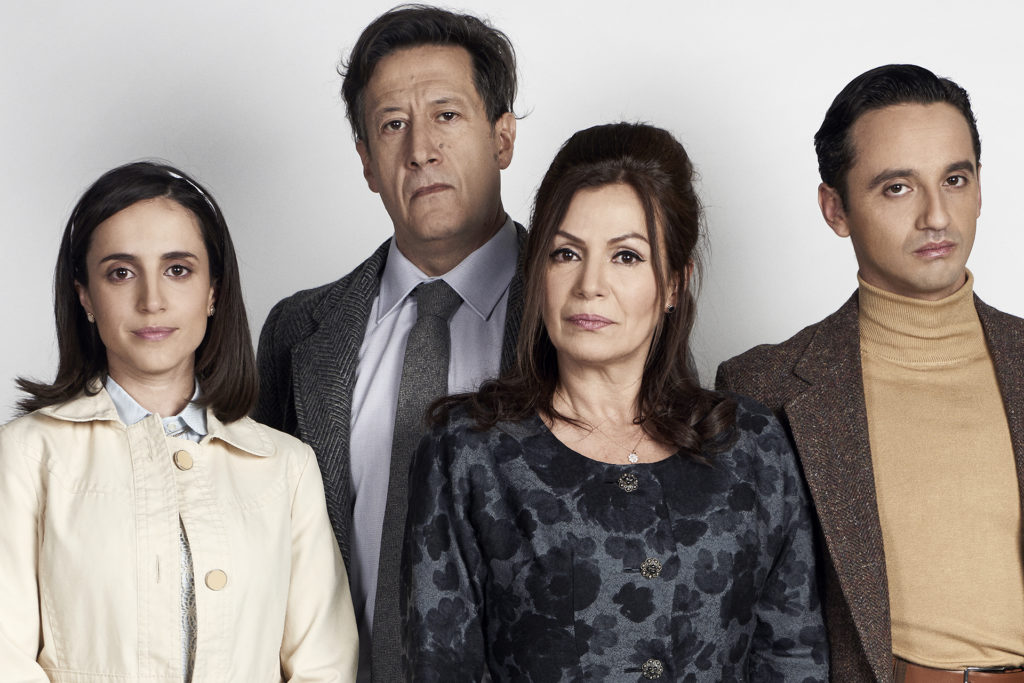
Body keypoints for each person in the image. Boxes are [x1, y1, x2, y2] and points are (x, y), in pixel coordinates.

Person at [402, 122, 827, 681]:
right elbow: (440, 667)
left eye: (626, 256)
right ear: (537, 271)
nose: (590, 285)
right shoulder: (469, 453)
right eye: (565, 253)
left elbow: (792, 657)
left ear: (674, 283)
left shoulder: (751, 447)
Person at [717, 64, 1024, 682]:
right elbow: (741, 620)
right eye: (898, 188)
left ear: (980, 188)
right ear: (836, 209)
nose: (936, 215)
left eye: (955, 179)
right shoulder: (763, 387)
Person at [0, 161, 358, 681]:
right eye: (121, 273)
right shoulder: (26, 455)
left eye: (177, 270)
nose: (152, 301)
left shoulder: (286, 466)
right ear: (85, 296)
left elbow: (324, 664)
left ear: (213, 291)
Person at [254, 6, 522, 680]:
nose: (420, 149)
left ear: (503, 138)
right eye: (393, 124)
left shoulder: (588, 316)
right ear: (368, 162)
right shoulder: (298, 332)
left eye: (446, 115)